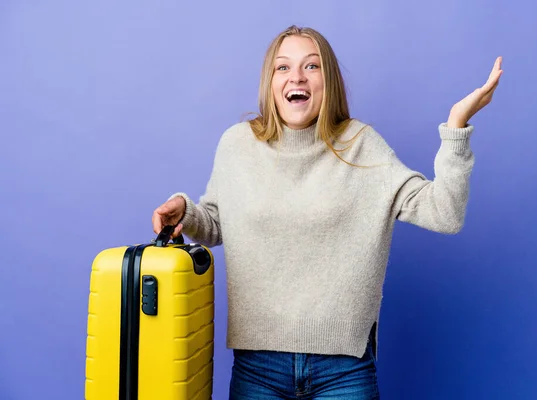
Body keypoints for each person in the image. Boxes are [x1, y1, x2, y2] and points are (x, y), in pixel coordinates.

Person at [152, 25, 502, 400]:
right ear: (270, 82)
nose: (296, 77)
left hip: (344, 372)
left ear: (328, 80)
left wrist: (455, 127)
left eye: (311, 66)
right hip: (258, 368)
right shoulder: (238, 144)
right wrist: (186, 212)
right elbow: (219, 222)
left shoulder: (361, 145)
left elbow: (444, 213)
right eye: (282, 67)